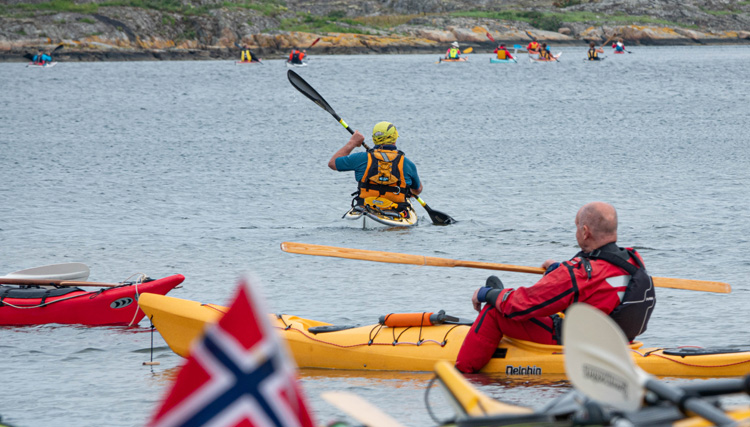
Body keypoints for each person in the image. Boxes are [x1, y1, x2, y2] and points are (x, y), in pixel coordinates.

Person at [455, 202, 656, 373]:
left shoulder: (578, 273)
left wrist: (487, 294)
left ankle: (463, 373)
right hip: (617, 340)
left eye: (577, 227)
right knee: (552, 308)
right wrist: (556, 270)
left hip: (579, 342)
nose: (577, 232)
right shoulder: (634, 260)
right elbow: (595, 288)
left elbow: (522, 304)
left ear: (585, 232)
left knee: (495, 311)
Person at [328, 122, 423, 214]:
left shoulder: (361, 158)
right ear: (394, 138)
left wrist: (352, 143)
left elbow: (332, 163)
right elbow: (417, 190)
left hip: (364, 207)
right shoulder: (407, 164)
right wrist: (408, 191)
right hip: (396, 210)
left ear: (374, 139)